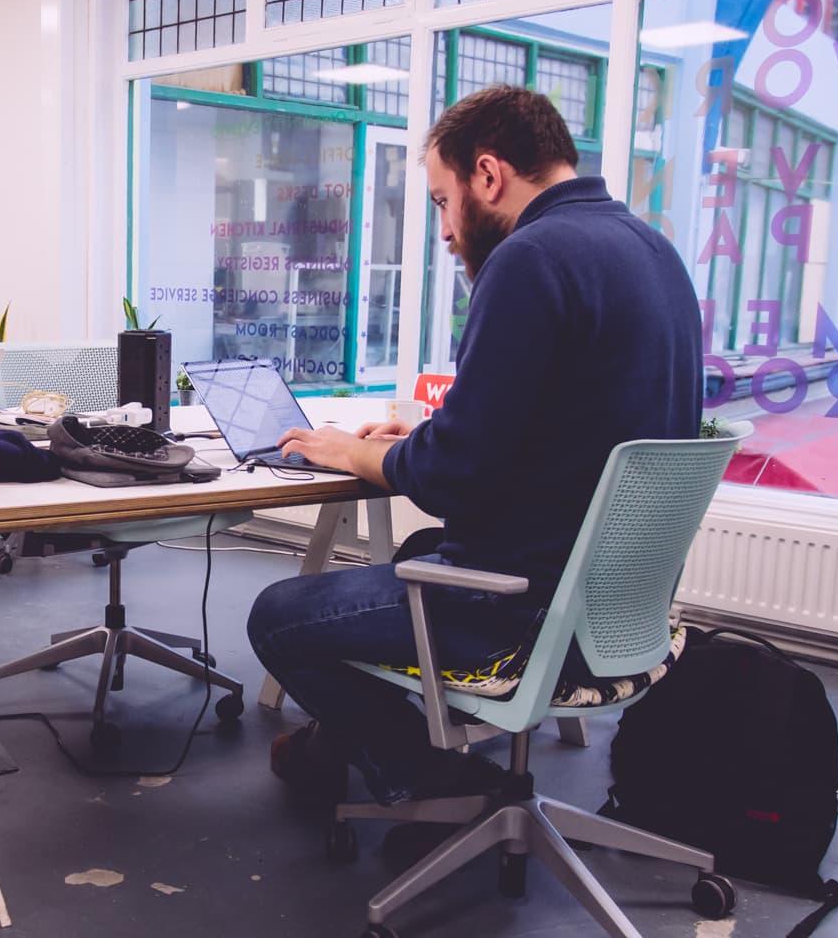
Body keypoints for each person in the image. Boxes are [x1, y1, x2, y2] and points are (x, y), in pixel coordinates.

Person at [246, 85, 701, 807]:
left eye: (441, 201)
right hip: (617, 609)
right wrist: (434, 433)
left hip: (524, 615)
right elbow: (572, 423)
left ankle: (437, 786)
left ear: (488, 174)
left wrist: (353, 452)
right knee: (416, 553)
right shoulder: (653, 251)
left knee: (278, 614)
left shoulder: (530, 258)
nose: (445, 230)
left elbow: (453, 477)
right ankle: (335, 749)